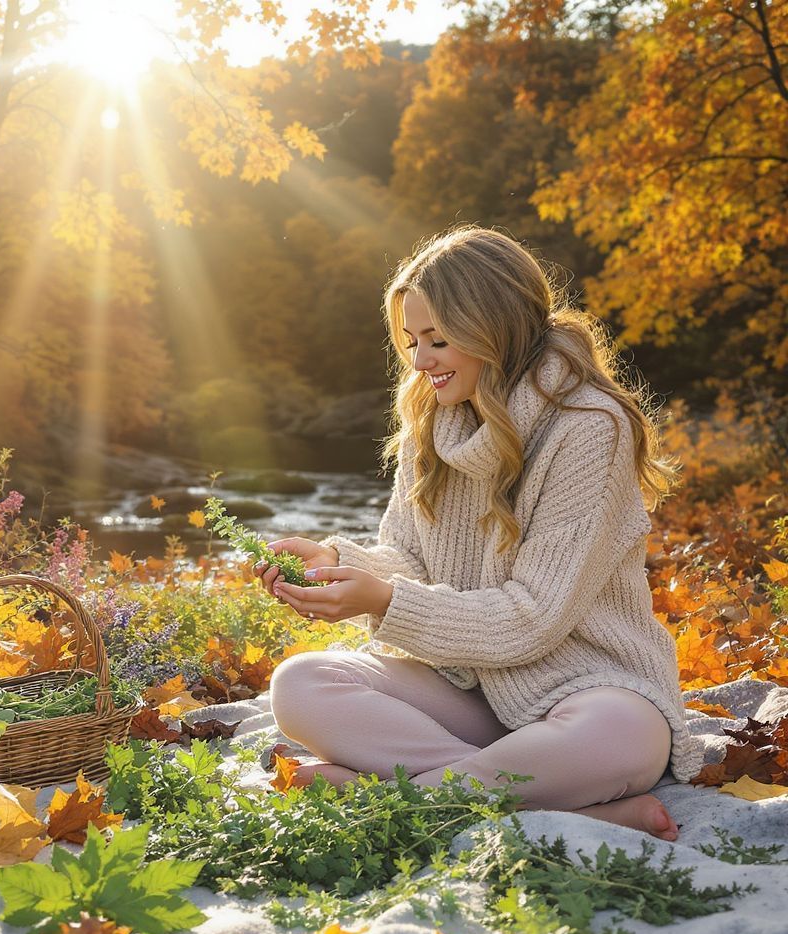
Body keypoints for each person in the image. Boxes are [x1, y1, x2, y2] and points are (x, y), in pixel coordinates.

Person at [253, 225, 706, 844]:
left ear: (494, 329)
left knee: (618, 742)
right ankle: (558, 808)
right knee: (301, 684)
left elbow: (535, 618)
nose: (419, 361)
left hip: (590, 687)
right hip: (470, 688)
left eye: (437, 340)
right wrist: (338, 562)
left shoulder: (587, 428)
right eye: (411, 341)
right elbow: (407, 557)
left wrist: (383, 603)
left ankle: (391, 800)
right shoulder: (429, 422)